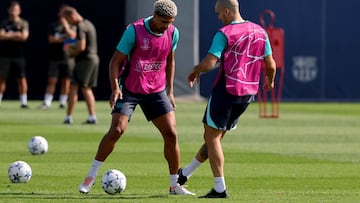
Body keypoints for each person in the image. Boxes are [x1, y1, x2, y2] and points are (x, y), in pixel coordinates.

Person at [78, 0, 194, 195]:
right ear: (155, 16)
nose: (167, 25)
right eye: (164, 21)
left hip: (156, 90)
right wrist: (115, 88)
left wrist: (171, 91)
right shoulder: (135, 30)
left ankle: (175, 185)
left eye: (170, 22)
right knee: (116, 130)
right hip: (130, 89)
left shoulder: (173, 32)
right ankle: (91, 175)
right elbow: (115, 61)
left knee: (172, 134)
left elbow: (170, 61)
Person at [178, 0, 277, 198]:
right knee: (214, 138)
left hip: (227, 90)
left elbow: (208, 64)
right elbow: (271, 65)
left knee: (212, 137)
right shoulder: (260, 31)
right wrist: (270, 81)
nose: (218, 18)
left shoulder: (224, 34)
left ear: (226, 11)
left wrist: (195, 70)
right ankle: (185, 173)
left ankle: (219, 189)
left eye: (218, 14)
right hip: (247, 93)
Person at [61, 6, 99, 124]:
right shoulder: (89, 24)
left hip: (85, 61)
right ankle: (92, 116)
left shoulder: (80, 26)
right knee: (86, 88)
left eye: (68, 20)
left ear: (71, 16)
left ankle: (69, 117)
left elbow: (81, 46)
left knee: (75, 87)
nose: (69, 23)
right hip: (94, 58)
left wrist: (71, 52)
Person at [41, 5, 76, 109]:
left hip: (68, 58)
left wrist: (66, 27)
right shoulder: (53, 26)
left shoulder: (71, 25)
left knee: (66, 80)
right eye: (61, 13)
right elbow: (51, 39)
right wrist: (64, 39)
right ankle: (47, 102)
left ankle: (62, 102)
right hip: (55, 58)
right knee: (52, 80)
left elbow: (72, 37)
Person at [0, 1, 29, 108]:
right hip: (5, 56)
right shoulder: (4, 23)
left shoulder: (23, 23)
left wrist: (8, 35)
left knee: (21, 78)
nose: (13, 12)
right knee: (1, 78)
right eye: (12, 10)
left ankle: (24, 102)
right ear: (9, 10)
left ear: (19, 11)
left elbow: (24, 36)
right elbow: (1, 35)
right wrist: (16, 34)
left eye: (16, 10)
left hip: (19, 56)